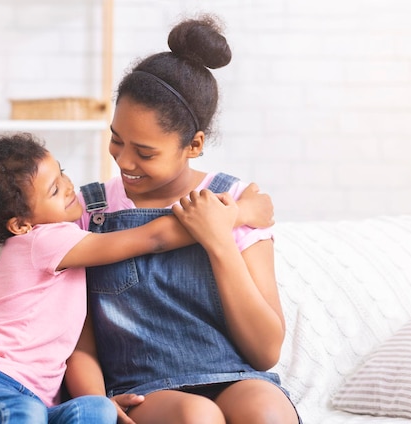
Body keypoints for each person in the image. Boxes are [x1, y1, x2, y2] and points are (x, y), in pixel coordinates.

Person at [0, 133, 268, 424]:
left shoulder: (68, 251)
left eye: (62, 173)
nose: (69, 187)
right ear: (20, 225)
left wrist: (101, 398)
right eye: (53, 190)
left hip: (39, 403)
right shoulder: (44, 241)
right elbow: (153, 237)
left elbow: (78, 348)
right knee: (23, 414)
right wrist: (237, 213)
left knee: (96, 411)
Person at [64, 14, 301, 424]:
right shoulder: (90, 213)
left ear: (193, 145)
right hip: (143, 389)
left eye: (145, 151)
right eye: (116, 140)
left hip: (236, 376)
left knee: (266, 411)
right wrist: (97, 403)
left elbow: (265, 351)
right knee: (197, 417)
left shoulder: (237, 200)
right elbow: (74, 340)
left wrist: (220, 236)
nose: (123, 160)